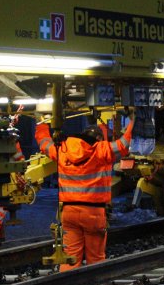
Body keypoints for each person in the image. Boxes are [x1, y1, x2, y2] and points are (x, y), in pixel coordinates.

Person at [35, 112, 133, 271]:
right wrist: (135, 120)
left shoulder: (63, 150)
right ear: (99, 140)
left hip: (68, 212)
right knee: (96, 259)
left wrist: (42, 122)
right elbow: (124, 144)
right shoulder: (102, 150)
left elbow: (44, 143)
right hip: (93, 214)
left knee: (70, 259)